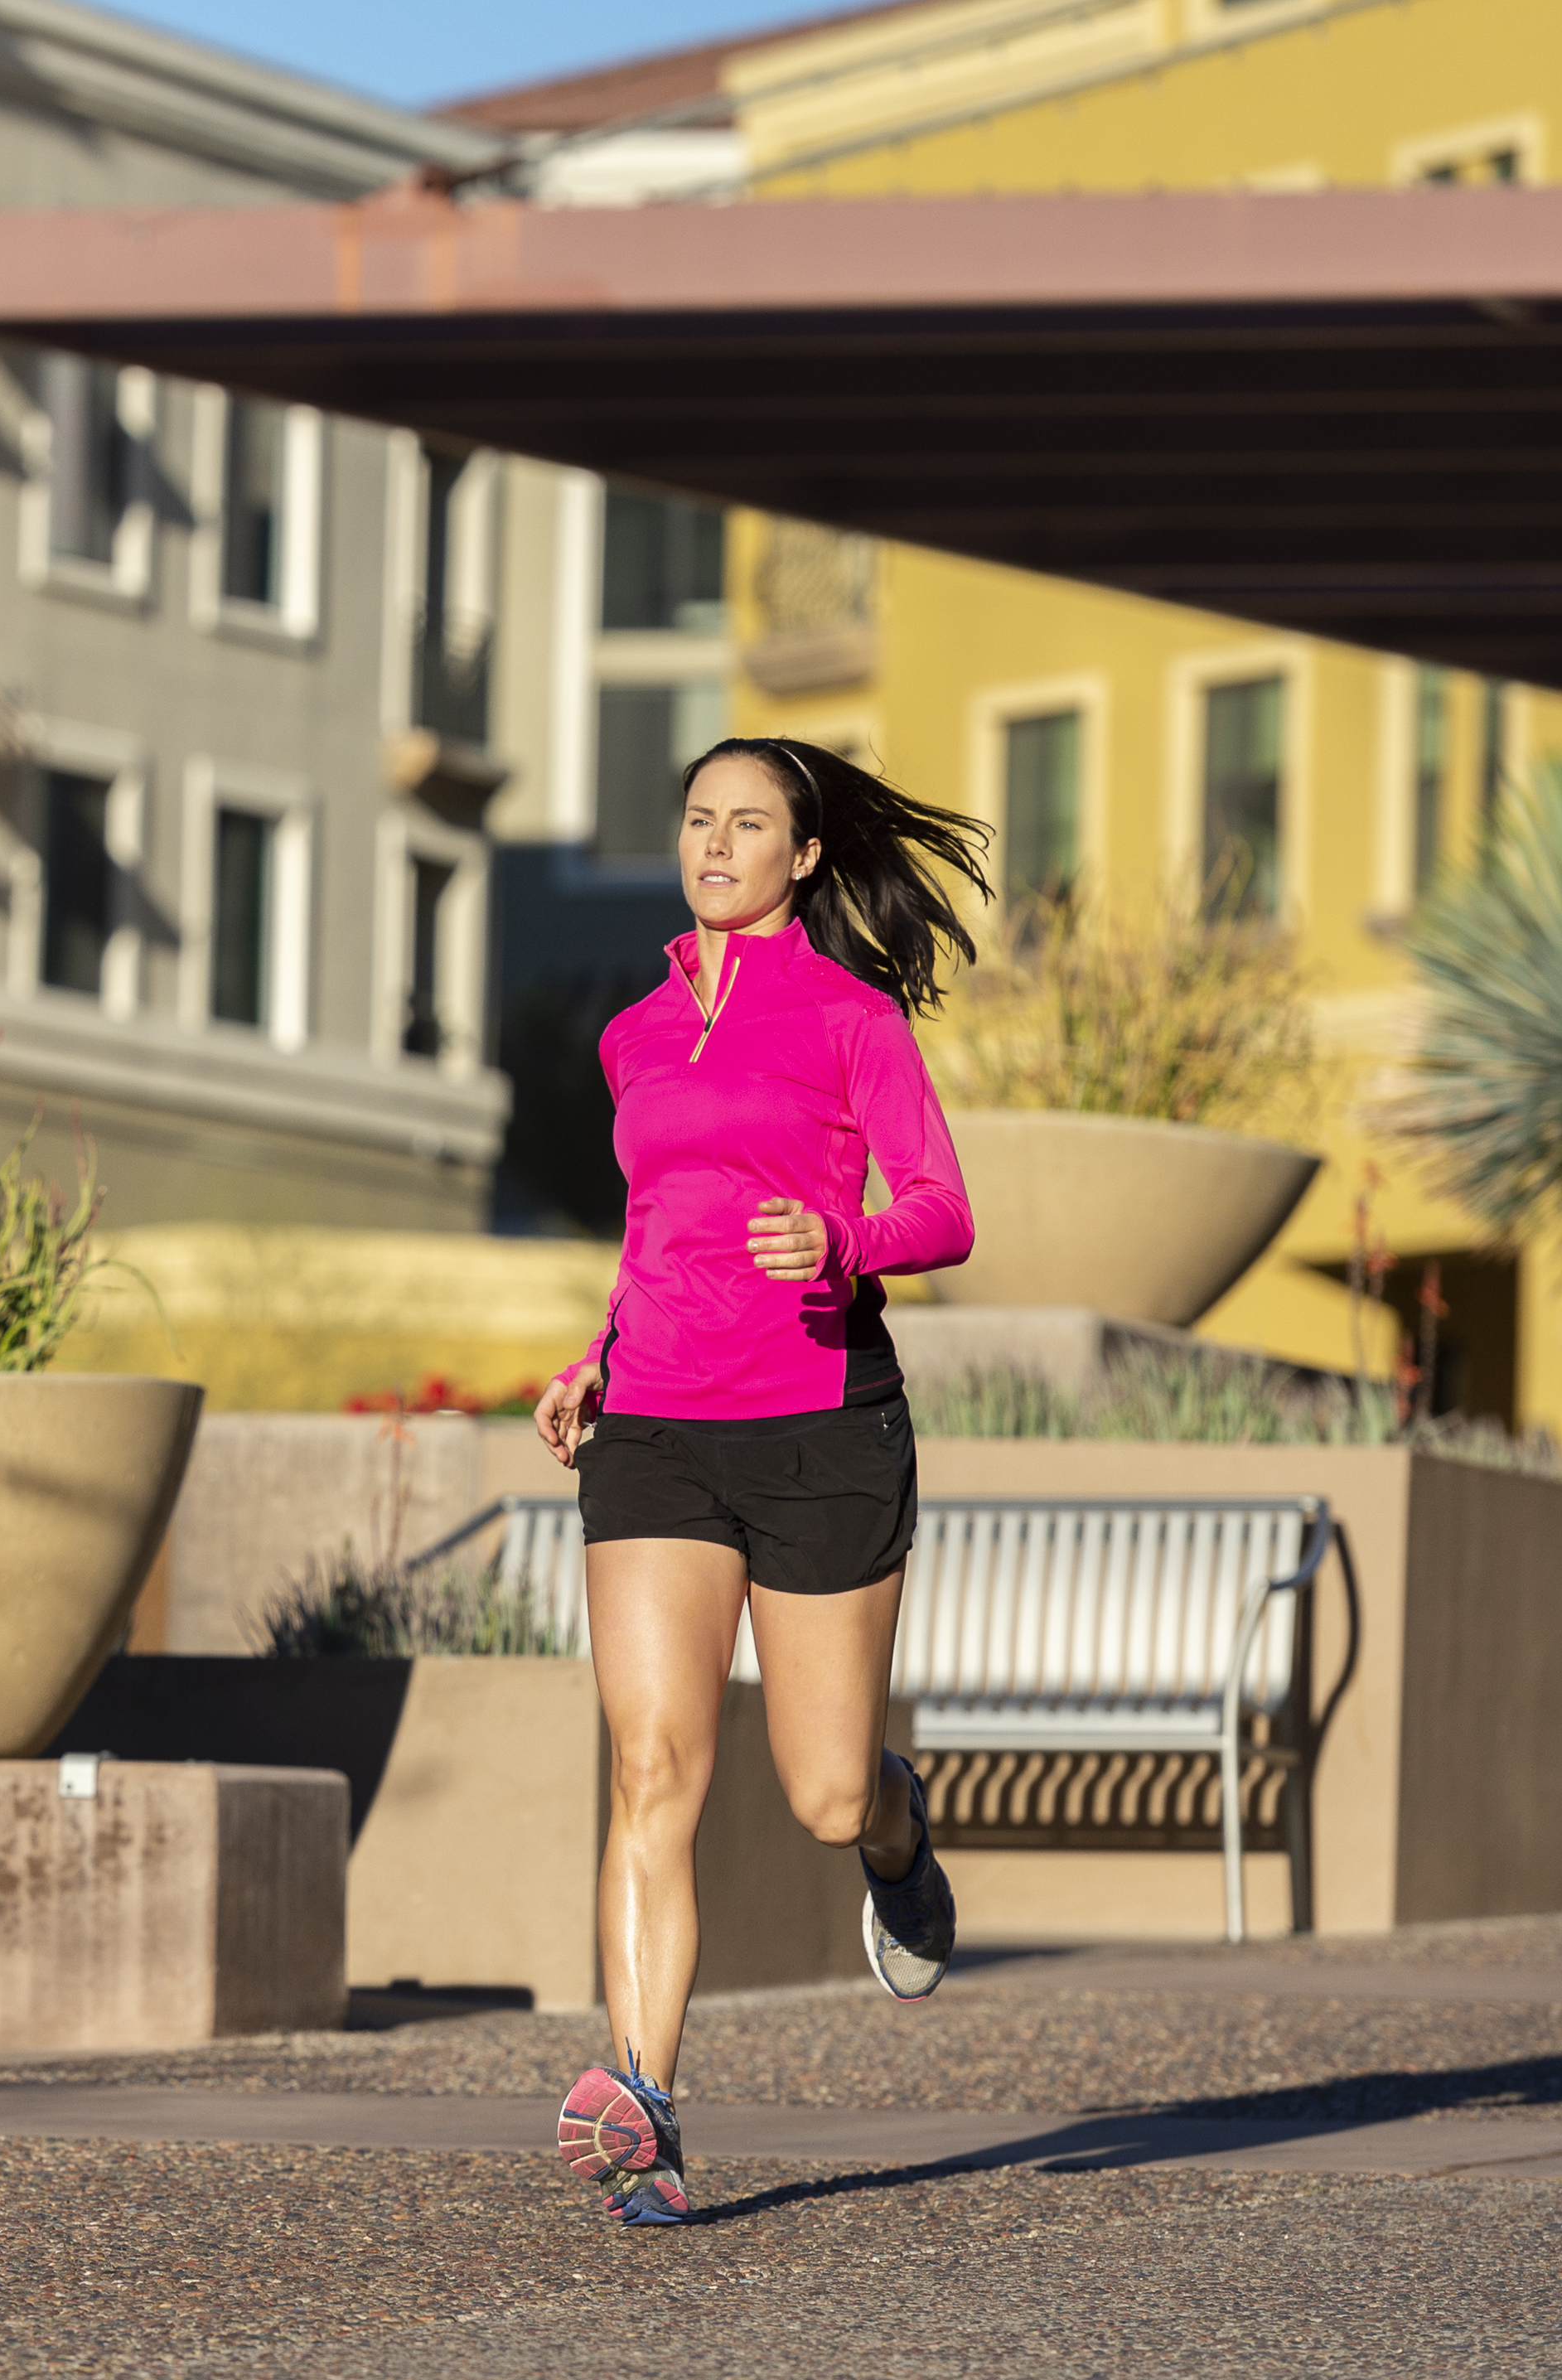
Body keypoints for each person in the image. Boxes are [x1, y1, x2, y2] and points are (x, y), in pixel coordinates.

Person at [534, 735, 989, 2228]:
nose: (715, 841)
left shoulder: (854, 1020)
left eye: (749, 824)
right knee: (652, 1770)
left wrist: (842, 1242)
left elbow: (942, 1208)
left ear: (803, 857)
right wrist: (597, 1355)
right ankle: (647, 2106)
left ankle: (897, 1834)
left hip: (817, 1424)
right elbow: (656, 1224)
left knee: (821, 1790)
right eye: (696, 819)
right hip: (656, 1427)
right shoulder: (636, 1033)